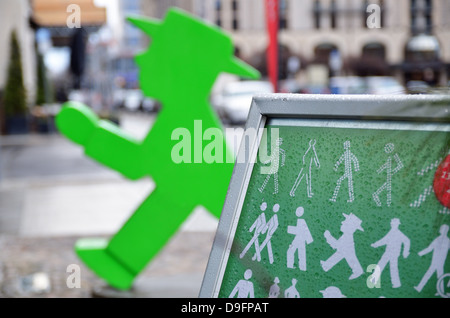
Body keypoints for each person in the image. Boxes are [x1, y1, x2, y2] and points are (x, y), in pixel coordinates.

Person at [55, 8, 259, 290]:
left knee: (173, 202)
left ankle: (121, 259)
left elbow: (137, 163)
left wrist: (90, 135)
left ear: (182, 69)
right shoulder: (185, 114)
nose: (142, 58)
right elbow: (140, 163)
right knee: (172, 199)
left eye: (156, 52)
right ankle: (120, 260)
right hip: (213, 189)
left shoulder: (185, 119)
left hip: (217, 189)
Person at [371, 218, 410, 288]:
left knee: (392, 267)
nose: (391, 224)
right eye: (391, 223)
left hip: (394, 253)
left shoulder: (398, 233)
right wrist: (375, 244)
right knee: (382, 265)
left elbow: (407, 241)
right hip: (388, 252)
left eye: (393, 223)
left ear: (396, 225)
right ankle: (375, 279)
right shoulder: (392, 232)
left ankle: (396, 283)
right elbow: (385, 240)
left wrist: (405, 252)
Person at [414, 224, 450, 293]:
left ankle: (419, 287)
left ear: (445, 230)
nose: (440, 230)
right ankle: (440, 291)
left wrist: (420, 253)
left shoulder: (447, 241)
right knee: (439, 276)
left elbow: (429, 249)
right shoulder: (439, 239)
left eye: (442, 229)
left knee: (434, 275)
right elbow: (429, 248)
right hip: (436, 261)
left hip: (439, 262)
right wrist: (420, 253)